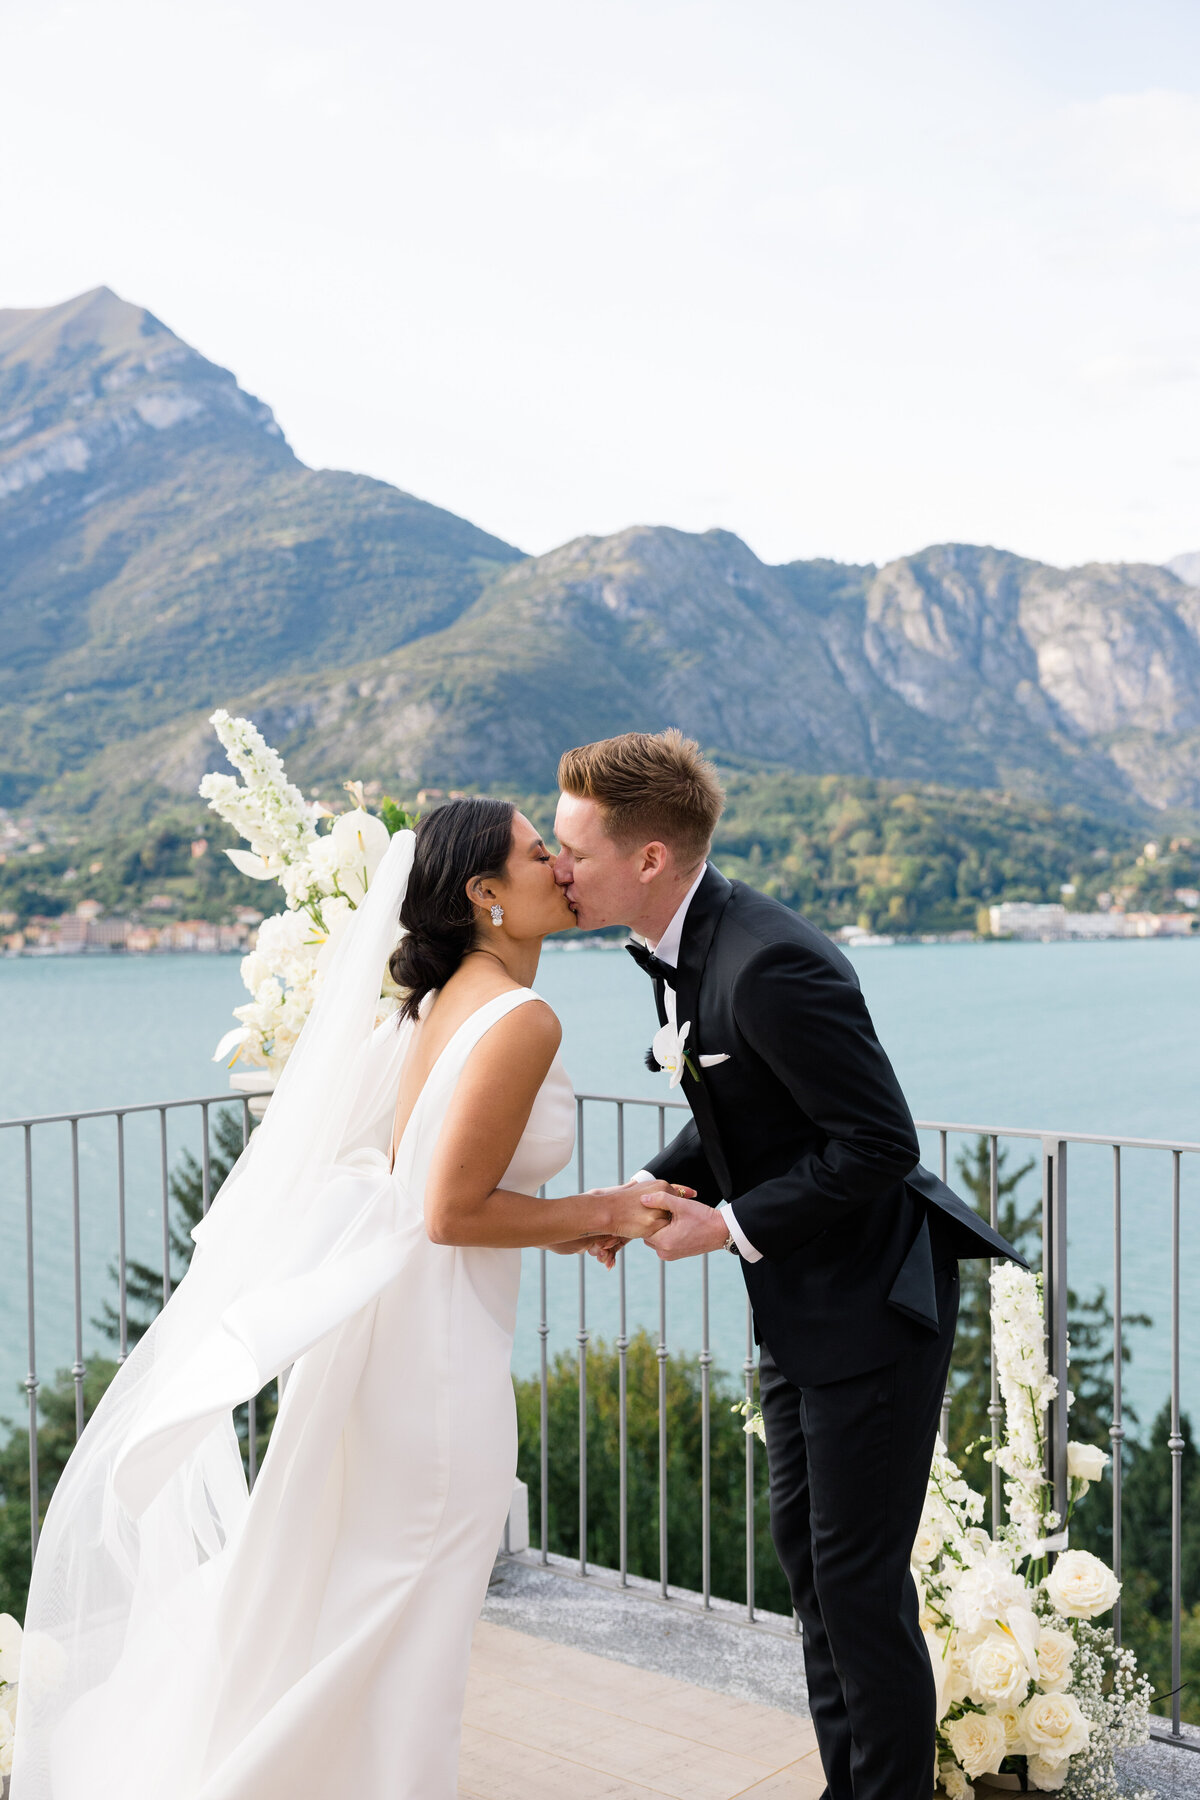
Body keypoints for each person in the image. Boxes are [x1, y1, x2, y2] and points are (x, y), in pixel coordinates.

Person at [11, 799, 680, 1800]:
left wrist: (576, 1218)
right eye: (541, 853)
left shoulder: (443, 999)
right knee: (409, 1615)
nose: (563, 865)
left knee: (376, 1611)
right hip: (441, 1359)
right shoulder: (522, 1016)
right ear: (485, 894)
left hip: (404, 1337)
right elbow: (450, 1210)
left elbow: (414, 1184)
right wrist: (607, 1210)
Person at [553, 730, 1023, 1800]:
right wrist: (639, 1196)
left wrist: (719, 1229)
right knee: (814, 1574)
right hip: (799, 1304)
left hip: (871, 1308)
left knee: (858, 1591)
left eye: (574, 847)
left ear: (651, 858)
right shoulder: (687, 947)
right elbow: (746, 1121)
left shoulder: (770, 961)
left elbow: (877, 1145)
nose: (559, 867)